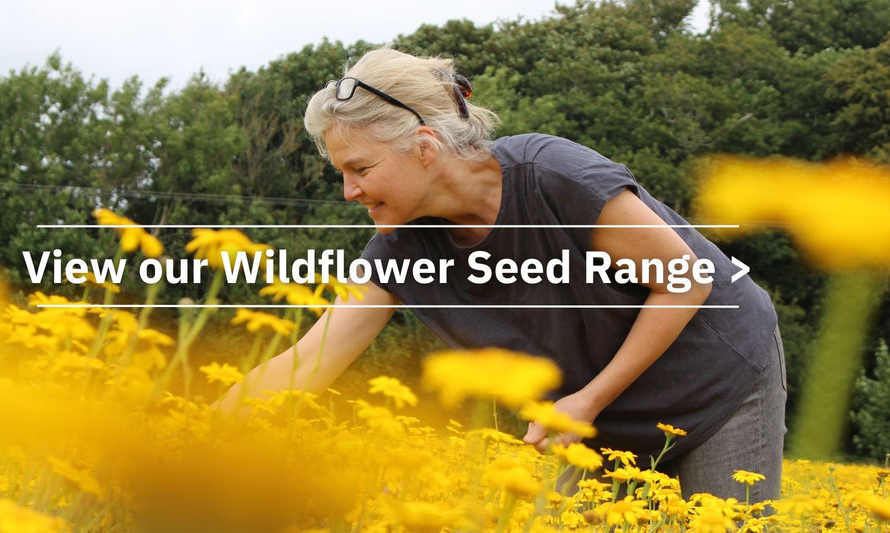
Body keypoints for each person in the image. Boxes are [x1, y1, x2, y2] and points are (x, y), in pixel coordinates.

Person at [217, 48, 786, 503]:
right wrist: (192, 428)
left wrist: (587, 401)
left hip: (716, 377)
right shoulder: (397, 251)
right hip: (594, 413)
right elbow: (308, 360)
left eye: (360, 168)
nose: (350, 191)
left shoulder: (554, 176)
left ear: (423, 147)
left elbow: (684, 280)